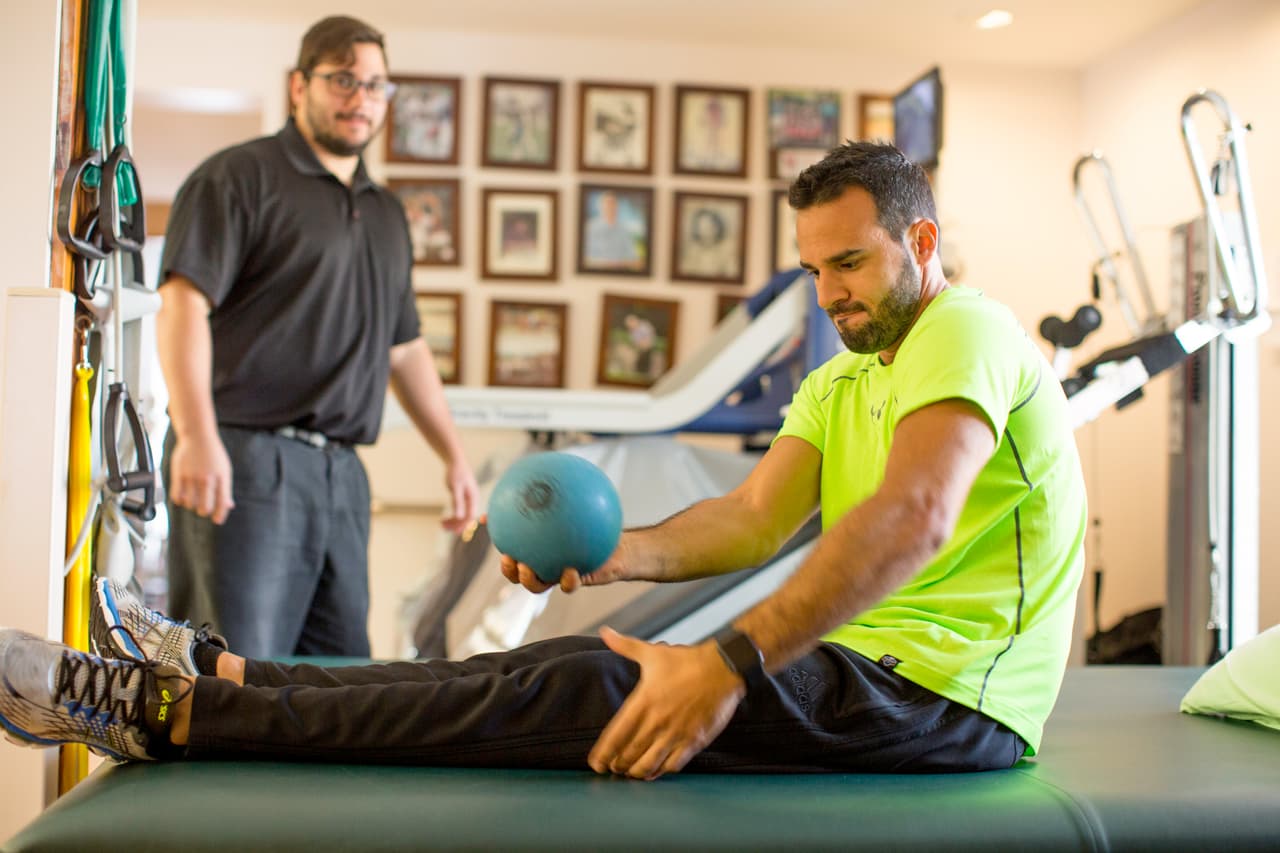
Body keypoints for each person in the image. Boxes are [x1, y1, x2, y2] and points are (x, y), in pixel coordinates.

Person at [0, 141, 1086, 780]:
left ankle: (165, 714)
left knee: (592, 679)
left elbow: (909, 520)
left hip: (953, 702)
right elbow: (750, 520)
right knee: (535, 662)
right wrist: (609, 557)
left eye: (848, 262)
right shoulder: (841, 378)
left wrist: (726, 664)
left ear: (924, 243)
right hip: (874, 675)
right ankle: (223, 670)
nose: (828, 292)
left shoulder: (967, 330)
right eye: (812, 269)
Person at [155, 15, 479, 660]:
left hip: (343, 476)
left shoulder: (386, 213)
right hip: (245, 460)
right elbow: (182, 305)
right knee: (232, 673)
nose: (362, 100)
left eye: (377, 86)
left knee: (337, 684)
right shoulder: (237, 178)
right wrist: (196, 436)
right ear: (300, 85)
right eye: (344, 81)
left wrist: (455, 457)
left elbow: (405, 347)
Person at [584, 190, 641, 270]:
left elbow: (635, 261)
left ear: (617, 206)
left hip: (620, 276)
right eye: (607, 204)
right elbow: (583, 260)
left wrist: (618, 264)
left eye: (613, 204)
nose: (610, 207)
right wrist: (604, 264)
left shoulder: (624, 230)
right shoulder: (590, 228)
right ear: (600, 207)